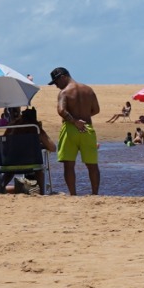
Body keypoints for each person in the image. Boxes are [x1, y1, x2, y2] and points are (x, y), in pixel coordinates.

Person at [51, 66, 100, 194]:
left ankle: (73, 194)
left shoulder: (64, 92)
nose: (56, 86)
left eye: (56, 82)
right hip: (87, 129)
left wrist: (74, 121)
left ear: (63, 77)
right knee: (92, 164)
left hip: (70, 129)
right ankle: (95, 193)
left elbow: (61, 110)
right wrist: (83, 117)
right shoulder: (88, 90)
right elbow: (96, 110)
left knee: (68, 164)